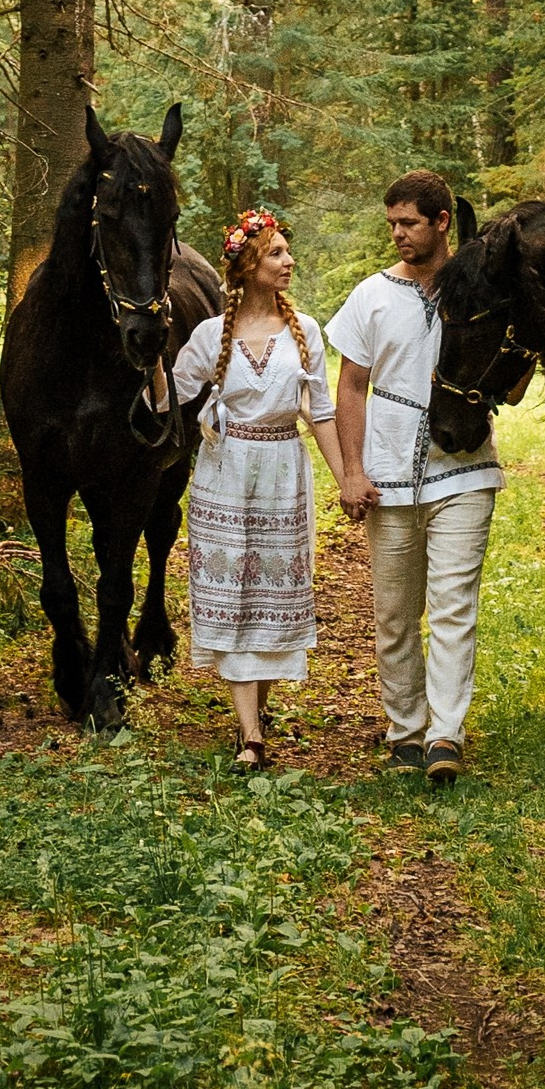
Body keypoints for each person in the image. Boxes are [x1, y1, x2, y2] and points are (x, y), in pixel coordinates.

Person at [170, 209, 367, 773]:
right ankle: (251, 733)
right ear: (250, 265)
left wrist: (347, 479)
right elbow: (169, 398)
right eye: (277, 253)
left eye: (286, 252)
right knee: (232, 595)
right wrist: (147, 363)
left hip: (283, 472)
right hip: (224, 475)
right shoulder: (213, 335)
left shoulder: (303, 330)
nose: (289, 261)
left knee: (272, 601)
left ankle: (254, 712)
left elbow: (320, 413)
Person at [325, 169, 503, 783]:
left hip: (465, 469)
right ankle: (406, 727)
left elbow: (517, 360)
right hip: (387, 470)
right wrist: (351, 471)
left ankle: (446, 735)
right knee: (396, 612)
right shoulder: (370, 296)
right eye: (392, 223)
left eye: (409, 223)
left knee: (454, 606)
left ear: (442, 221)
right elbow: (348, 388)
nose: (398, 234)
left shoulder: (476, 291)